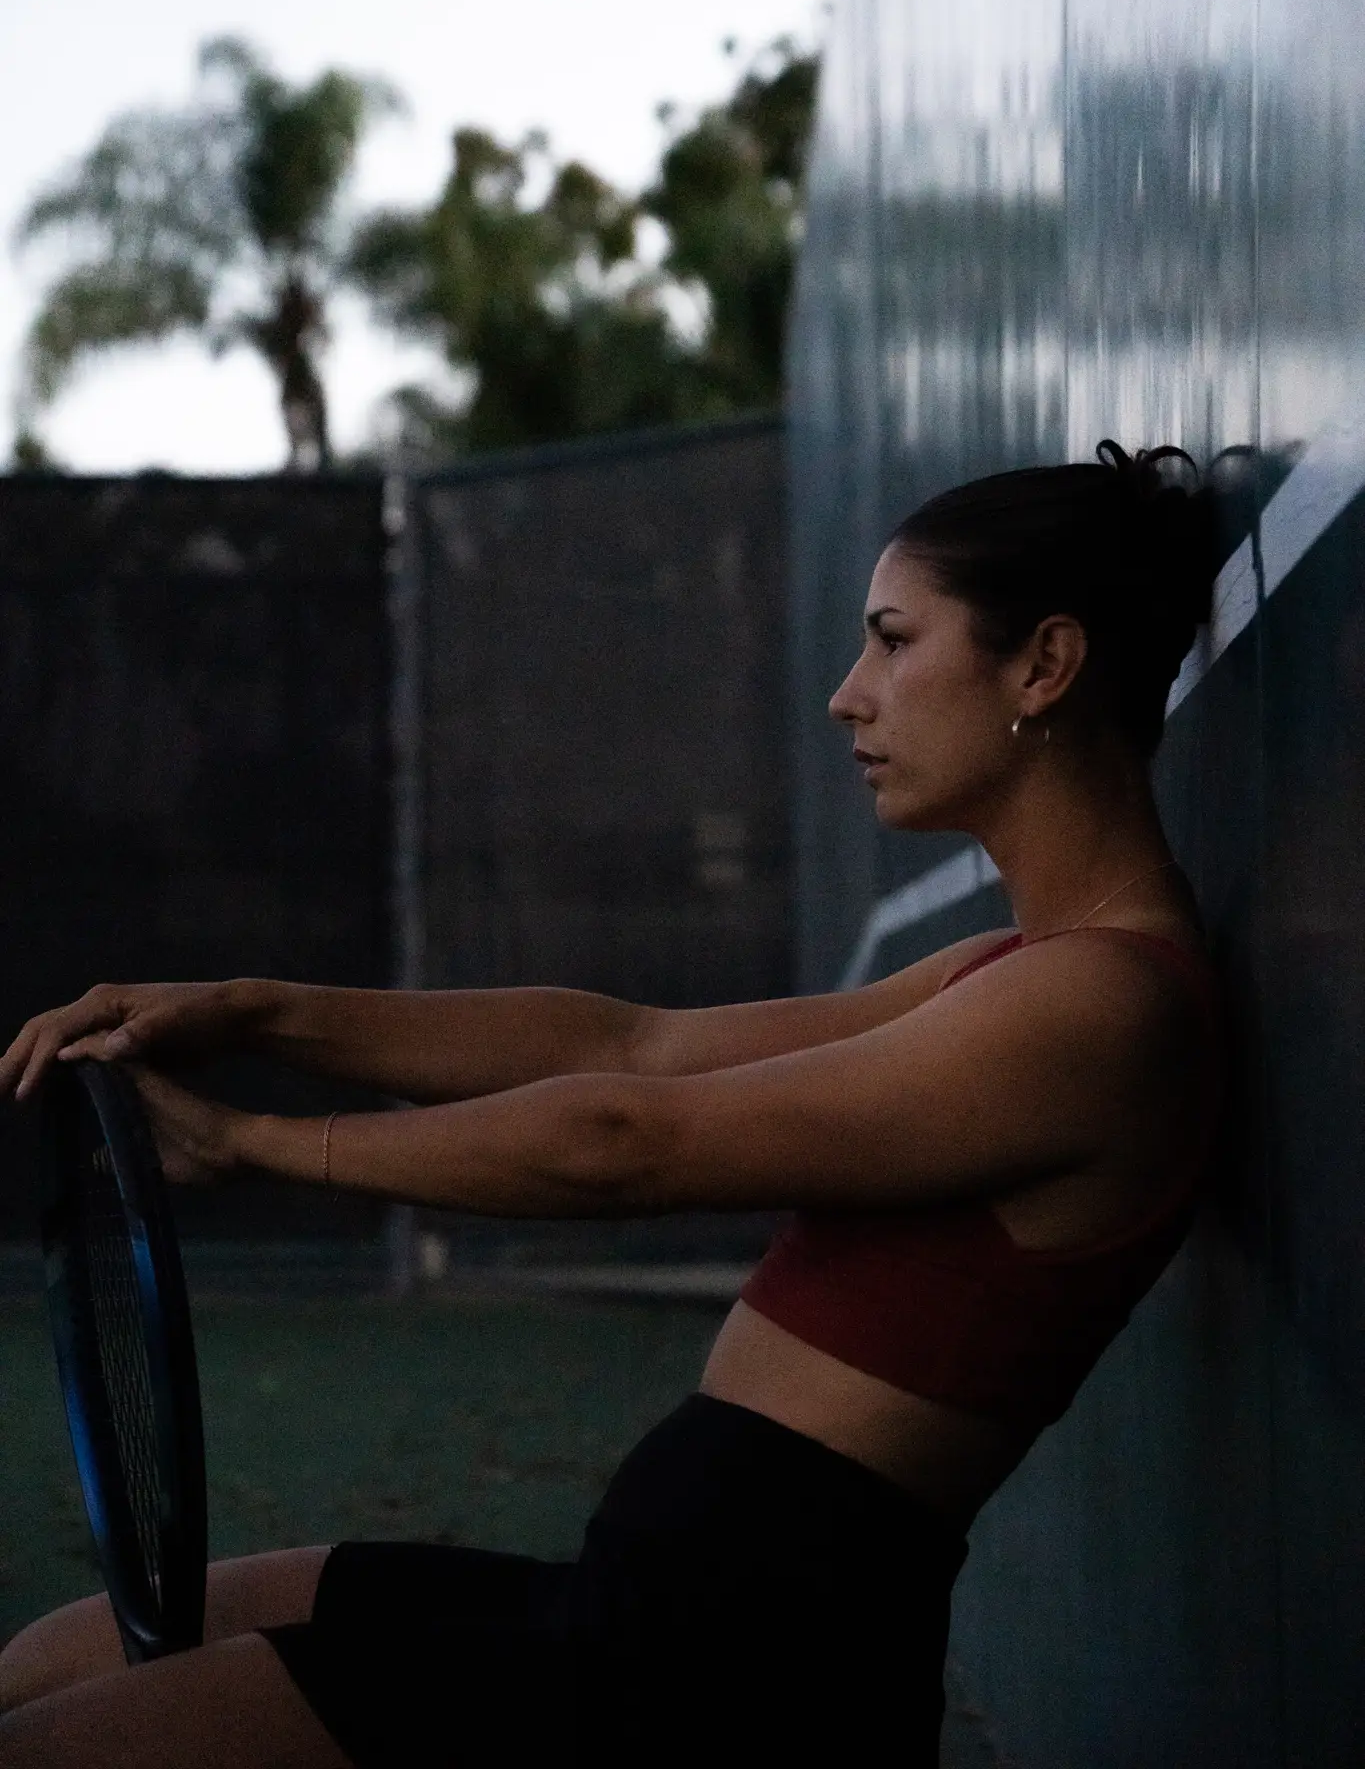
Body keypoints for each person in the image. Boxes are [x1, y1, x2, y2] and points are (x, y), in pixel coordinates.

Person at [0, 440, 1227, 1769]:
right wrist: (253, 1010)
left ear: (1042, 666)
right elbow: (633, 1049)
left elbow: (623, 1139)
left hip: (712, 1682)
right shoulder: (1018, 975)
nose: (846, 696)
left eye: (891, 641)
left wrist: (257, 1143)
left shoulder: (1103, 1011)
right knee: (50, 1663)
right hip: (643, 1612)